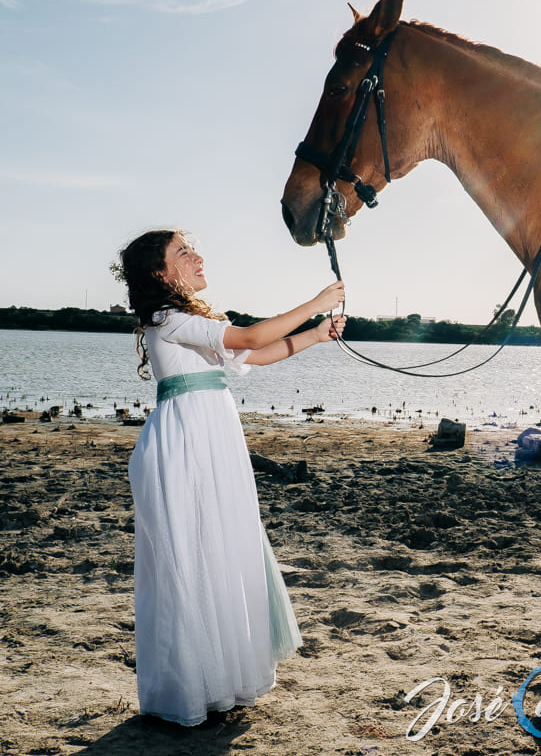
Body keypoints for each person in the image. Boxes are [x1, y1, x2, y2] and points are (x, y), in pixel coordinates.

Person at [114, 229, 346, 727]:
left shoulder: (195, 320)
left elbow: (256, 355)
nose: (197, 257)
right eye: (183, 252)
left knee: (220, 548)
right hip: (185, 443)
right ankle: (189, 686)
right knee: (192, 553)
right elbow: (249, 338)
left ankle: (219, 680)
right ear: (160, 273)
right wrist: (315, 302)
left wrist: (317, 334)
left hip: (214, 439)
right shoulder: (166, 318)